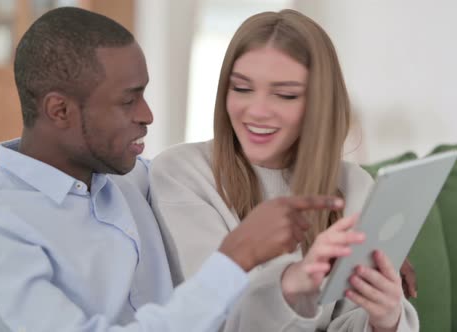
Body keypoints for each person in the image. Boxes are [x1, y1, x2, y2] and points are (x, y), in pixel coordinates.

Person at [0, 7, 345, 332]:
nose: (148, 115)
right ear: (59, 110)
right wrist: (232, 260)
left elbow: (244, 188)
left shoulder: (139, 179)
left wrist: (350, 253)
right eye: (128, 101)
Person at [150, 9, 419, 332]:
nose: (258, 111)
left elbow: (345, 323)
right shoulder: (183, 173)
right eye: (242, 88)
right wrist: (293, 282)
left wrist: (386, 318)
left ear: (320, 103)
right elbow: (214, 320)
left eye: (285, 94)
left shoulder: (354, 184)